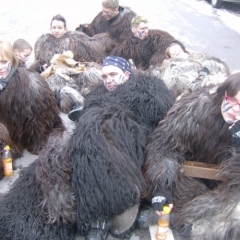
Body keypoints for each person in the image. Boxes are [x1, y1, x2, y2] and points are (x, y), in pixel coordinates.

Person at [68, 56, 174, 239]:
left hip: (135, 146)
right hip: (100, 144)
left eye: (113, 74)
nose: (108, 80)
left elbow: (159, 128)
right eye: (104, 76)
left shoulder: (147, 93)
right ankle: (99, 216)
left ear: (126, 74)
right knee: (88, 153)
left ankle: (125, 208)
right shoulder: (97, 95)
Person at [142, 72, 240, 239]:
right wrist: (162, 186)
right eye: (232, 101)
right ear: (222, 95)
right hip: (193, 180)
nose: (236, 109)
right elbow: (163, 146)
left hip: (230, 187)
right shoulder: (196, 110)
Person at [0, 40, 65, 180]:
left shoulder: (29, 84)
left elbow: (40, 121)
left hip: (28, 127)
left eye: (3, 61)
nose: (1, 67)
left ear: (12, 60)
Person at [30, 14, 114, 74]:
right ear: (50, 29)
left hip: (71, 72)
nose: (56, 30)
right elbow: (38, 62)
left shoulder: (74, 39)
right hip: (51, 73)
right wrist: (42, 68)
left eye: (59, 28)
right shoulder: (43, 43)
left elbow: (90, 49)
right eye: (54, 28)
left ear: (65, 29)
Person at [150, 42, 231, 100]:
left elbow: (212, 64)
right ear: (170, 58)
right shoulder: (173, 71)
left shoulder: (198, 57)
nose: (179, 53)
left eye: (179, 51)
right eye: (175, 54)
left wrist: (204, 72)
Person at [109, 15, 179, 70]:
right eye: (142, 29)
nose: (146, 31)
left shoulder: (155, 39)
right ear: (133, 29)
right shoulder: (125, 48)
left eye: (146, 28)